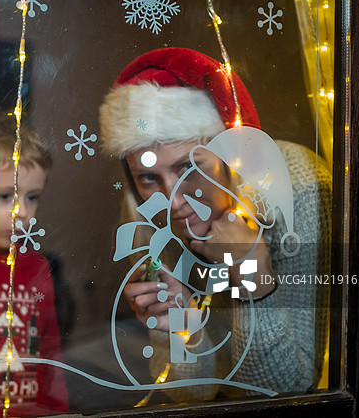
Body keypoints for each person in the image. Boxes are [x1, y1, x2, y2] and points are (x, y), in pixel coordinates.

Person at [99, 48, 331, 401]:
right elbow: (192, 394)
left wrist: (252, 273)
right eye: (148, 177)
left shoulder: (298, 189)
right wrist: (183, 326)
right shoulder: (147, 217)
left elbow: (284, 394)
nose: (173, 201)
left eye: (189, 168)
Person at [0, 105, 69, 416]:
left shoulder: (37, 269)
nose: (22, 212)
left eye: (31, 197)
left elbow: (51, 350)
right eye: (5, 196)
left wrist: (57, 410)